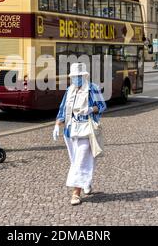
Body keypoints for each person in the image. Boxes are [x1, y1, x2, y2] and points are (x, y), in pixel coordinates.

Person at [53, 62, 107, 206]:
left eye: (79, 76)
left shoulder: (92, 88)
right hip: (70, 131)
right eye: (74, 76)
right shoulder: (70, 90)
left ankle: (76, 193)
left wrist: (90, 109)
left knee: (80, 160)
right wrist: (58, 124)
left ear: (84, 76)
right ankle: (86, 182)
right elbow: (63, 108)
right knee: (75, 160)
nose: (76, 79)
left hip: (86, 130)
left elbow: (102, 106)